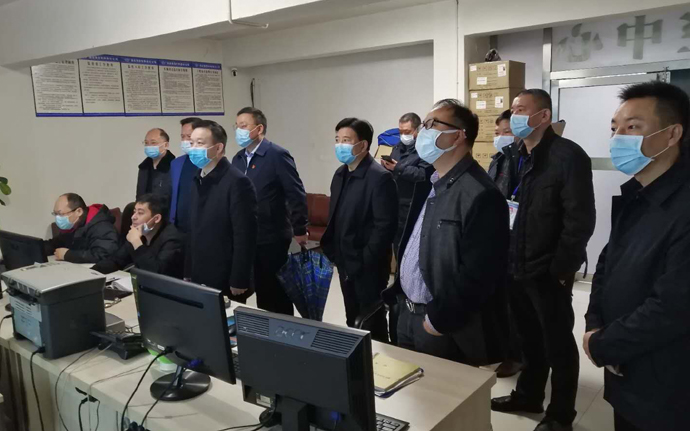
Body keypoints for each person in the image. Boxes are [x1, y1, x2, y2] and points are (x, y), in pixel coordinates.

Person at [584, 82, 690, 431]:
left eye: (632, 127)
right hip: (625, 371)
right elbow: (606, 265)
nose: (618, 138)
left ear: (672, 134)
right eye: (615, 128)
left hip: (667, 383)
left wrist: (604, 344)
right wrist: (594, 325)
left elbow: (673, 306)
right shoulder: (636, 193)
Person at [491, 89, 596, 431]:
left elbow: (580, 219)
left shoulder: (568, 156)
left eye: (522, 109)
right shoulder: (513, 155)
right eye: (513, 110)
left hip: (547, 268)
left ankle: (560, 415)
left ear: (544, 116)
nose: (515, 116)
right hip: (513, 262)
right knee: (527, 338)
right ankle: (529, 395)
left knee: (557, 344)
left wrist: (561, 269)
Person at [381, 99, 510, 366]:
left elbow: (479, 272)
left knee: (439, 391)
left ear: (458, 136)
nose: (422, 132)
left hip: (441, 326)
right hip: (406, 313)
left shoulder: (481, 194)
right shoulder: (430, 182)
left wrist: (438, 319)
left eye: (431, 125)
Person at [321, 118, 398, 342]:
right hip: (345, 261)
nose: (340, 145)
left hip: (368, 267)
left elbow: (385, 228)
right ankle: (357, 359)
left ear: (363, 145)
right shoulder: (340, 174)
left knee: (371, 323)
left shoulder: (380, 178)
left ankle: (379, 361)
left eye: (346, 140)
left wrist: (365, 259)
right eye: (337, 140)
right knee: (352, 319)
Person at [231, 107, 309, 315]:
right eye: (236, 126)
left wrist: (300, 227)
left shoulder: (276, 155)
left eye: (243, 126)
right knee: (260, 292)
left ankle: (284, 330)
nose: (238, 130)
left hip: (272, 236)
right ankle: (264, 328)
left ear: (259, 129)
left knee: (276, 293)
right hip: (248, 236)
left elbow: (295, 193)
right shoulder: (238, 159)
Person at [185, 120, 258, 302]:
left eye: (200, 143)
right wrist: (188, 270)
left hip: (225, 273)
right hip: (199, 269)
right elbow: (192, 229)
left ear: (218, 148)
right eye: (191, 143)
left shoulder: (237, 182)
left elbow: (245, 235)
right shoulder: (197, 177)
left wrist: (239, 278)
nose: (193, 148)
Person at [488, 109, 523, 379]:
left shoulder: (524, 161)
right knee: (501, 301)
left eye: (507, 132)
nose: (501, 137)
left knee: (517, 306)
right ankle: (504, 350)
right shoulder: (497, 159)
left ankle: (517, 356)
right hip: (499, 238)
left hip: (520, 242)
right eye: (498, 132)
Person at [92, 194, 184, 278]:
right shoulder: (139, 232)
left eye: (140, 213)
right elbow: (116, 261)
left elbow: (156, 273)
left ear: (156, 218)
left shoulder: (173, 239)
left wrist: (137, 243)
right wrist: (91, 273)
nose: (133, 217)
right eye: (134, 212)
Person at [381, 112, 434, 255]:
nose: (403, 135)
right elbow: (393, 171)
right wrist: (386, 167)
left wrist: (397, 168)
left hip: (413, 205)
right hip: (396, 202)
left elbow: (422, 175)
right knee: (397, 244)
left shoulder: (425, 149)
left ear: (417, 130)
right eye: (401, 132)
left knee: (410, 246)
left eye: (407, 132)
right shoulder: (397, 148)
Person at [45, 193, 119, 264]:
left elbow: (102, 254)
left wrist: (67, 255)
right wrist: (39, 247)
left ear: (79, 211)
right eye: (55, 214)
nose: (57, 218)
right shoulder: (72, 225)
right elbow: (55, 244)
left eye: (60, 214)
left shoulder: (101, 226)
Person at [169, 117, 201, 234]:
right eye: (182, 136)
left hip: (201, 227)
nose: (185, 140)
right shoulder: (176, 163)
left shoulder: (208, 162)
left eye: (189, 136)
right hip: (178, 228)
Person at [136, 128, 175, 203]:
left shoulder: (174, 167)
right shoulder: (143, 167)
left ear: (166, 145)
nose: (149, 146)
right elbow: (139, 196)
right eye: (146, 143)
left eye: (153, 143)